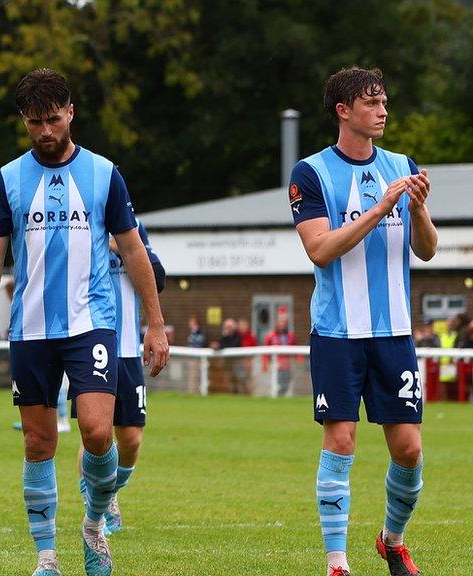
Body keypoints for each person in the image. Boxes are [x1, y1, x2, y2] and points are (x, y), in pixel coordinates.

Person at [0, 68, 168, 576]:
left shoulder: (104, 173)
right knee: (38, 443)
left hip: (91, 322)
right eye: (35, 122)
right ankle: (47, 558)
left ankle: (94, 526)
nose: (45, 132)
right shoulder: (8, 179)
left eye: (53, 120)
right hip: (31, 328)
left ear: (71, 113)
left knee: (100, 432)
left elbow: (133, 249)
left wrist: (155, 322)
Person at [289, 66, 437, 576]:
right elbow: (320, 248)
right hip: (337, 333)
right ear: (343, 111)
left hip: (394, 331)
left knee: (410, 449)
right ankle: (337, 563)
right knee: (342, 439)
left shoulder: (401, 165)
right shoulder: (310, 173)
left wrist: (416, 210)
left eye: (385, 102)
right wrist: (380, 207)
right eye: (372, 103)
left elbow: (428, 249)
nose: (383, 111)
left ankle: (391, 540)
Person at [73, 222, 165, 537]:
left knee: (132, 438)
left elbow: (159, 277)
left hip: (127, 349)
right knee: (94, 432)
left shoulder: (134, 229)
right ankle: (96, 509)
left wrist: (121, 247)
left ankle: (108, 492)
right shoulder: (79, 224)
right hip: (89, 343)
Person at [263, 315, 297, 397]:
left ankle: (281, 397)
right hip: (276, 366)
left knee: (286, 384)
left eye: (284, 323)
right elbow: (266, 352)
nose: (282, 325)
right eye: (280, 322)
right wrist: (265, 363)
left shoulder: (290, 336)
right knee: (277, 384)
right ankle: (277, 397)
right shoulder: (271, 336)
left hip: (288, 365)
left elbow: (295, 350)